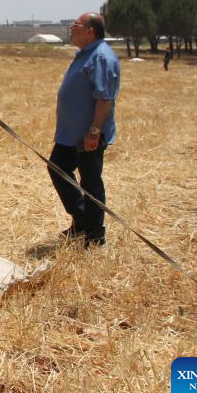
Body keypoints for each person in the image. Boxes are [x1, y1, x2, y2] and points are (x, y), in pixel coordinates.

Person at [48, 12, 120, 247]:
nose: (71, 27)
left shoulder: (101, 57)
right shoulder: (85, 54)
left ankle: (95, 236)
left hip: (88, 135)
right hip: (70, 134)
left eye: (76, 25)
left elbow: (104, 99)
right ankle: (81, 220)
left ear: (90, 30)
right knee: (58, 168)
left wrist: (94, 131)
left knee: (90, 183)